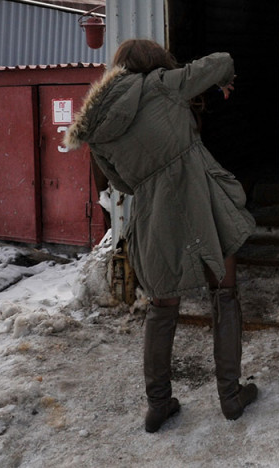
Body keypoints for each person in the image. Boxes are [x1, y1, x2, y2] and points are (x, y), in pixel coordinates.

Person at [64, 38, 259, 432]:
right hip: (203, 201)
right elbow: (222, 59)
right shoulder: (162, 84)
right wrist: (223, 82)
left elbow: (122, 184)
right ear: (154, 62)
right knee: (224, 288)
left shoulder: (96, 129)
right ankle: (230, 396)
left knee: (162, 305)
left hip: (154, 215)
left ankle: (157, 404)